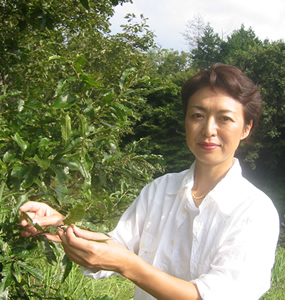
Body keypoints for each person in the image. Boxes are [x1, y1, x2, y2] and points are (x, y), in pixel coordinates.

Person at [20, 63, 280, 300]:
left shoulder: (254, 210)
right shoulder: (161, 189)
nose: (209, 129)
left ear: (246, 128)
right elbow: (114, 247)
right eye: (197, 115)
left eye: (225, 118)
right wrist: (62, 226)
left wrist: (128, 264)